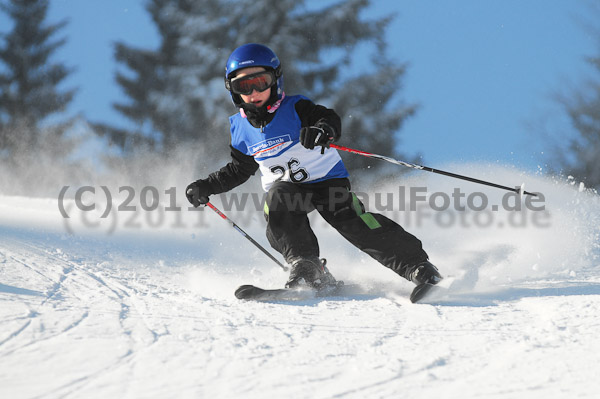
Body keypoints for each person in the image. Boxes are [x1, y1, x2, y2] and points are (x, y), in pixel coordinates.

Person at [186, 43, 442, 295]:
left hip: (327, 182)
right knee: (277, 202)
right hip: (286, 192)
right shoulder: (240, 129)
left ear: (275, 81)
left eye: (260, 82)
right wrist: (206, 186)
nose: (253, 91)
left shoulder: (296, 108)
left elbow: (329, 118)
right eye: (244, 86)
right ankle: (306, 266)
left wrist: (322, 131)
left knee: (352, 222)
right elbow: (238, 169)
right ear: (233, 90)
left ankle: (417, 267)